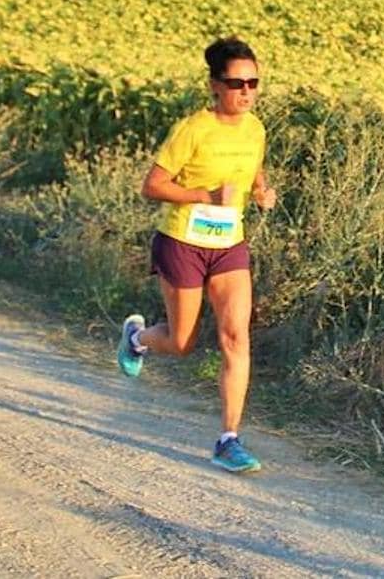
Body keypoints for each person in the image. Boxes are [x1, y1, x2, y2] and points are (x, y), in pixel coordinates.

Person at [117, 37, 277, 473]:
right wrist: (204, 194)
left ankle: (228, 439)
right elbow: (152, 186)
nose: (246, 91)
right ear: (214, 85)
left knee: (235, 337)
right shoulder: (193, 129)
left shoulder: (256, 128)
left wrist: (261, 191)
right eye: (236, 83)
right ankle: (137, 338)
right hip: (182, 242)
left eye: (253, 82)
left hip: (229, 247)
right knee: (182, 342)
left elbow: (254, 168)